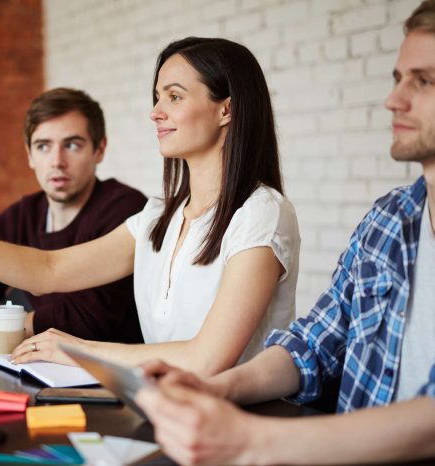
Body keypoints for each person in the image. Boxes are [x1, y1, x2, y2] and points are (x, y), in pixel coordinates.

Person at [136, 2, 435, 464]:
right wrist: (214, 389)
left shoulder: (262, 211)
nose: (393, 100)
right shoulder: (389, 222)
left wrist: (251, 439)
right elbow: (312, 346)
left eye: (424, 80)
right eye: (398, 79)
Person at [0, 37, 300, 376]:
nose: (155, 112)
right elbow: (49, 270)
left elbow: (207, 359)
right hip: (168, 409)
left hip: (241, 426)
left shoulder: (260, 213)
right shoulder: (158, 217)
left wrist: (79, 352)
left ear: (226, 110)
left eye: (174, 97)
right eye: (158, 97)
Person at [0, 88, 147, 344]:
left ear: (99, 150)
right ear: (29, 155)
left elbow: (89, 319)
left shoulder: (126, 209)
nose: (57, 161)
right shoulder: (19, 217)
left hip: (106, 376)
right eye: (43, 146)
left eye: (72, 145)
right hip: (40, 370)